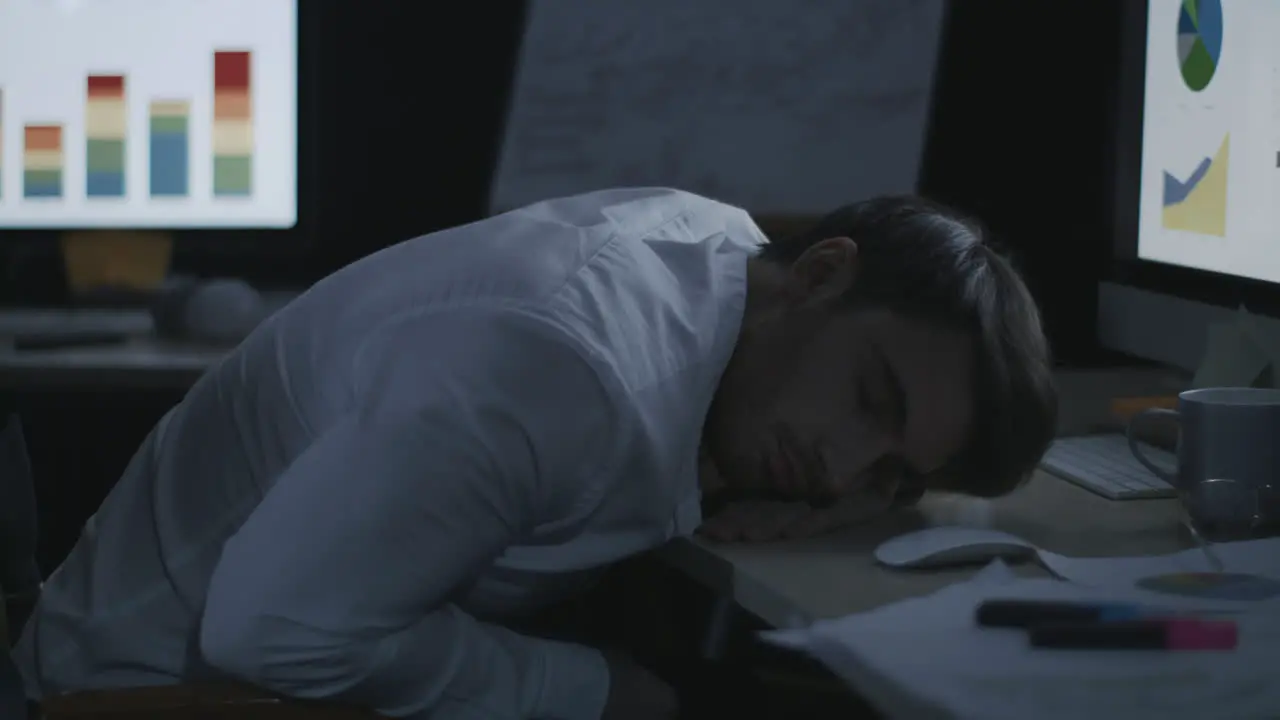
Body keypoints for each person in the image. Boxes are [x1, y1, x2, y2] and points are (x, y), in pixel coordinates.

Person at [13, 188, 1056, 720]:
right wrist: (593, 689)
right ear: (825, 274)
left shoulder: (721, 251)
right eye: (870, 397)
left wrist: (835, 503)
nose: (838, 465)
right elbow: (273, 638)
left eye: (889, 470)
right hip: (146, 697)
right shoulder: (566, 369)